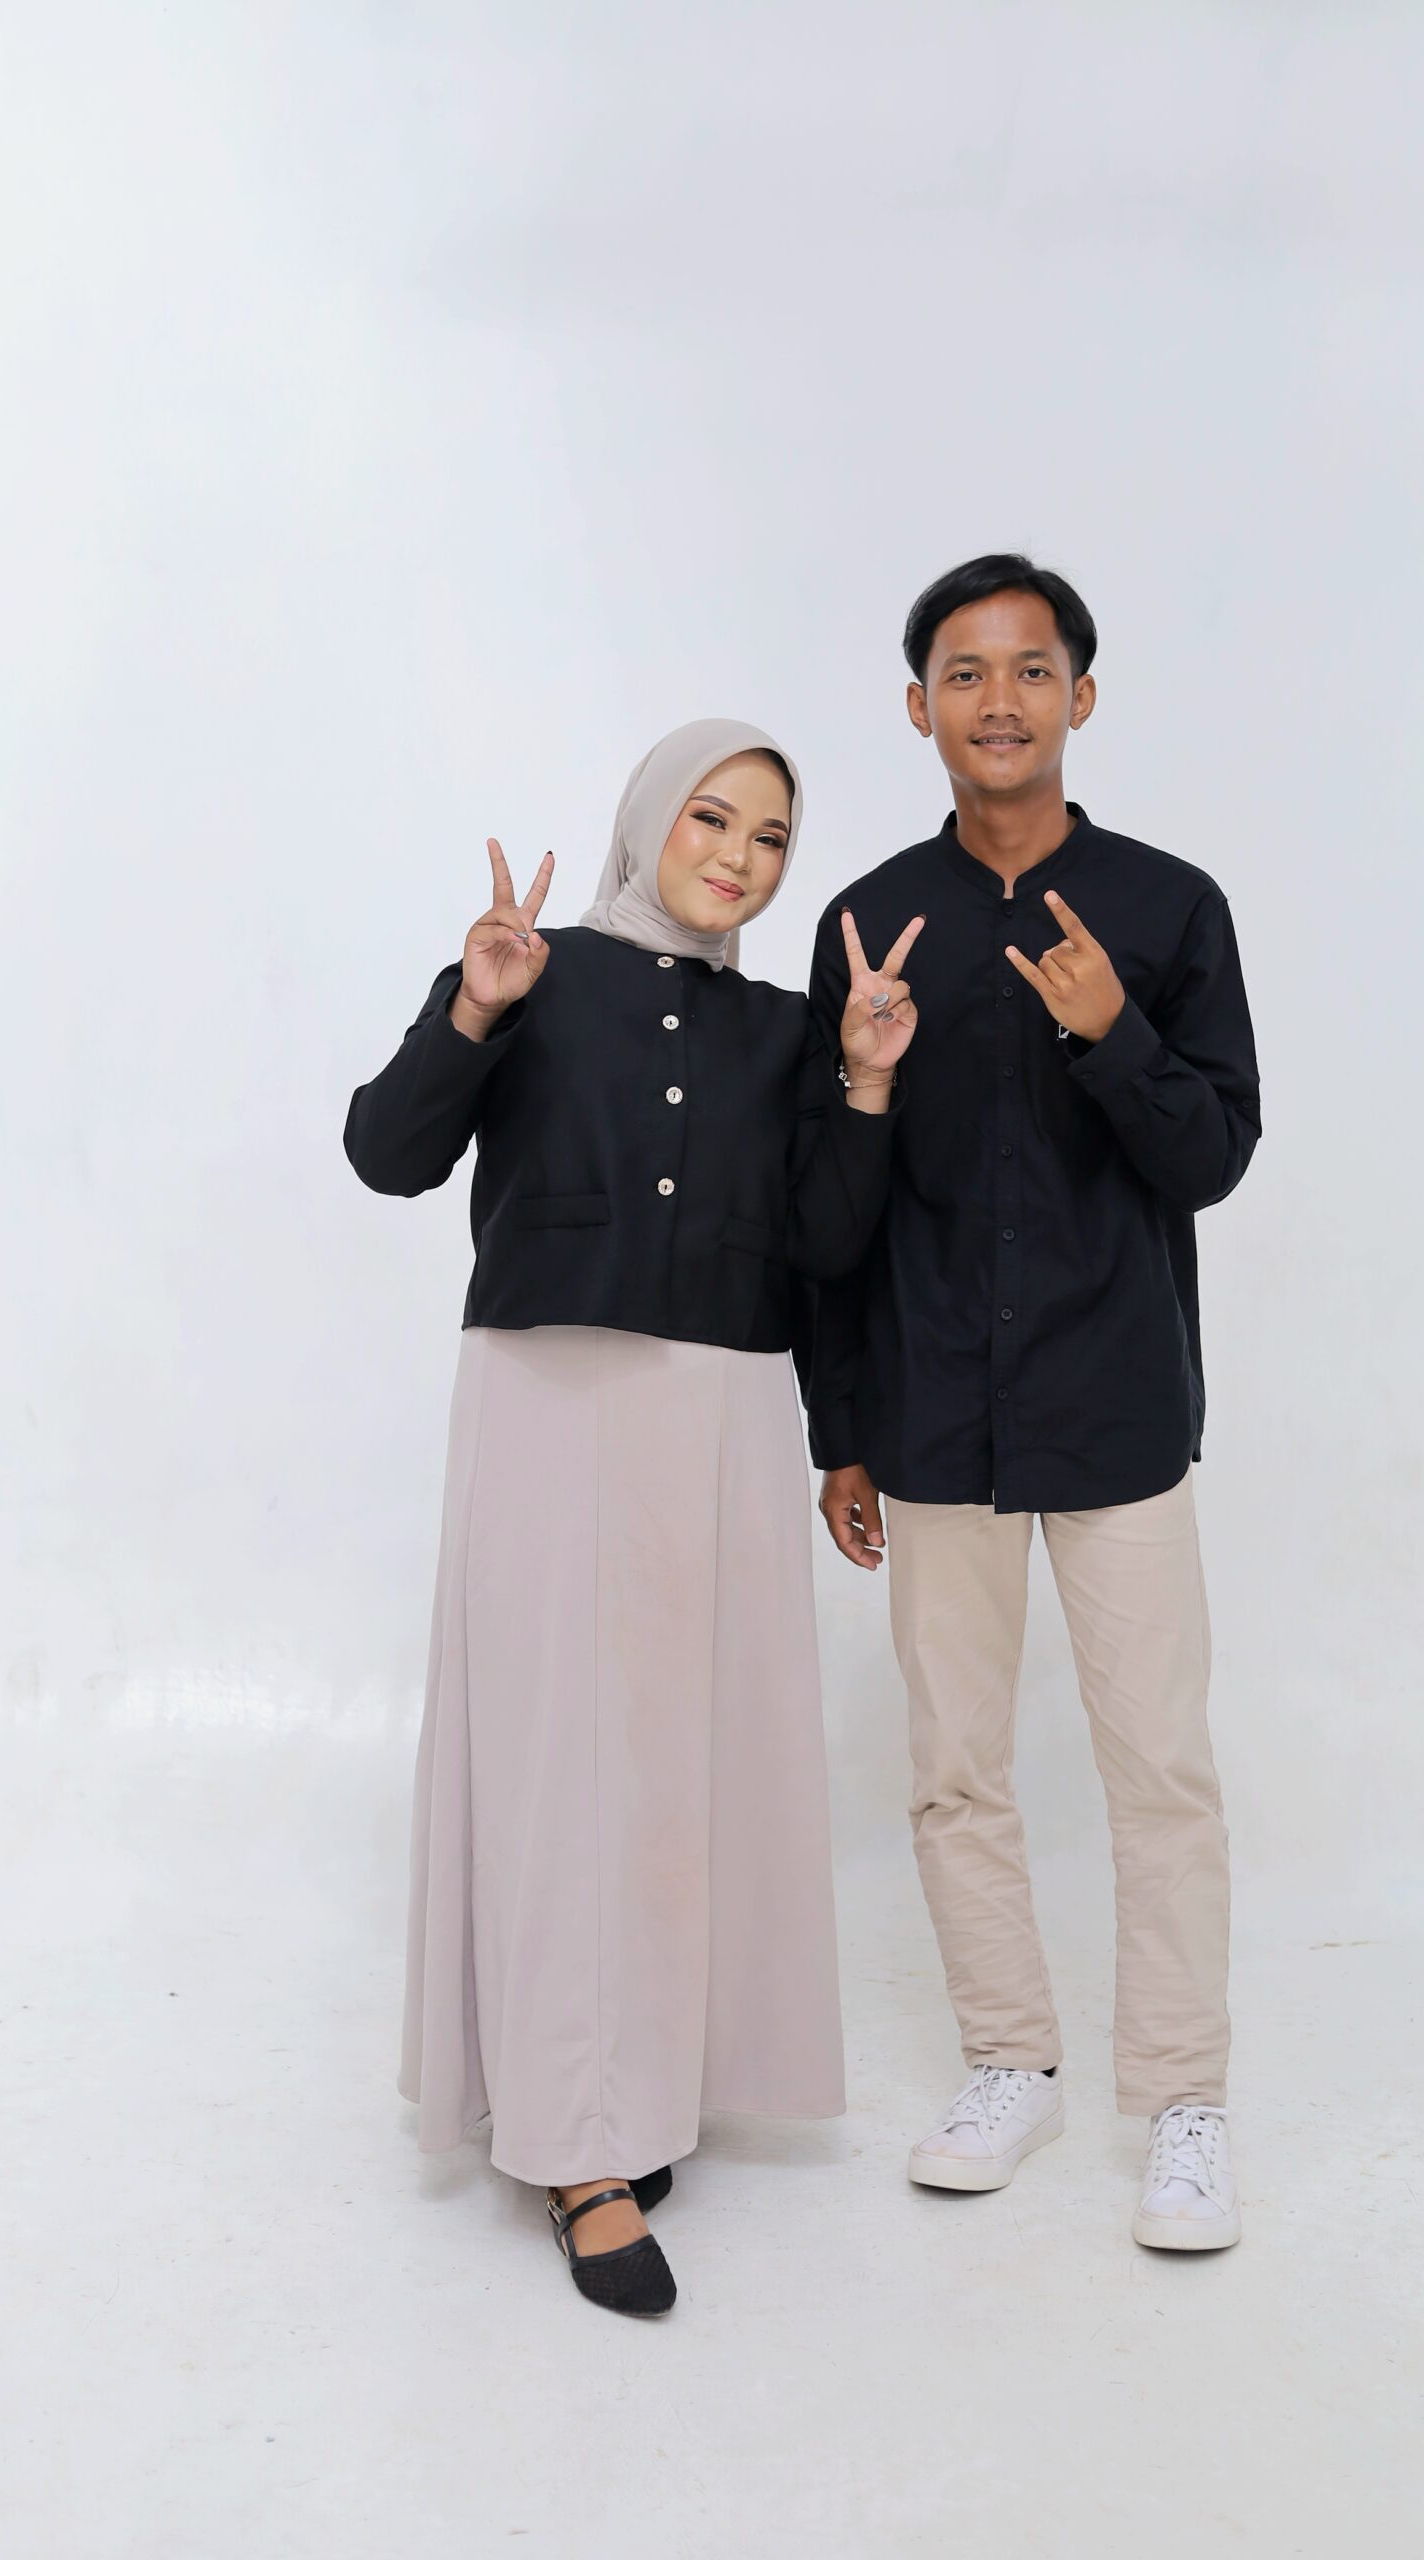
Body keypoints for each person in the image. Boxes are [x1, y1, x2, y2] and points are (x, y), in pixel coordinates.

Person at [345, 721, 922, 2316]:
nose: (737, 857)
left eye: (770, 838)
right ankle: (577, 2145)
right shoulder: (535, 971)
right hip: (551, 1399)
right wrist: (474, 1005)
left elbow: (827, 1246)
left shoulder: (787, 1029)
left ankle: (638, 2080)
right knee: (564, 1765)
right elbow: (386, 1154)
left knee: (675, 1766)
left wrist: (867, 1081)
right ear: (650, 818)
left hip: (720, 1414)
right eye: (711, 819)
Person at [806, 557, 1260, 2250]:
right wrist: (840, 1428)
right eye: (963, 671)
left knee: (1162, 1767)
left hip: (1117, 1407)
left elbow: (1212, 1159)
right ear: (917, 705)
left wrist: (1113, 1034)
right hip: (932, 1414)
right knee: (953, 1769)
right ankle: (1010, 2062)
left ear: (1081, 694)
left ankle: (1185, 2100)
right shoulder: (866, 920)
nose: (997, 699)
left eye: (1029, 668)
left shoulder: (1170, 908)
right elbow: (828, 1216)